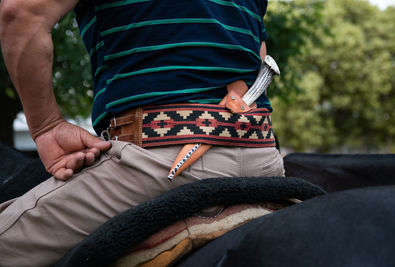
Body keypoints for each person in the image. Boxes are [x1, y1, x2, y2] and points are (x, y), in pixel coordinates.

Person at [0, 0, 284, 265]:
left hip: (158, 163)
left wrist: (46, 126)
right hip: (263, 160)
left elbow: (21, 12)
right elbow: (255, 54)